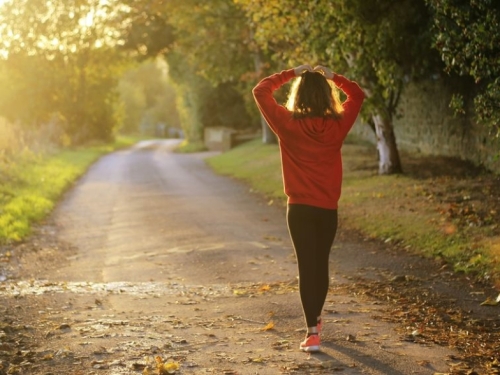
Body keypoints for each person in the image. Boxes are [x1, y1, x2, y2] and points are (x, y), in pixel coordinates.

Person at [252, 64, 365, 352]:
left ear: (298, 95)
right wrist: (334, 77)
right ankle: (315, 321)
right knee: (321, 264)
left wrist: (291, 73)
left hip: (299, 209)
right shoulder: (338, 125)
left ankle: (312, 332)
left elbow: (260, 90)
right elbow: (358, 94)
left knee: (306, 266)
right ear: (327, 96)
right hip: (327, 209)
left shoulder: (286, 123)